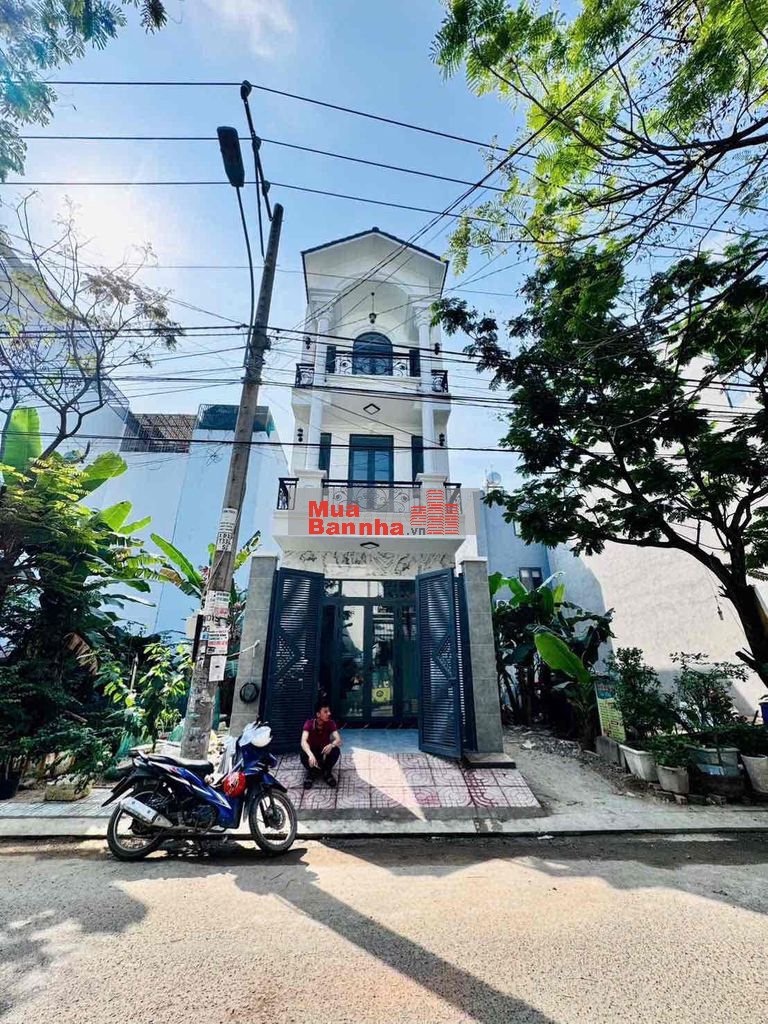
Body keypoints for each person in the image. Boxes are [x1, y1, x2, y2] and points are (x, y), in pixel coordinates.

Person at [300, 699, 342, 789]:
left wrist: (331, 745)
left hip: (323, 752)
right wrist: (310, 755)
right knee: (303, 752)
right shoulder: (309, 724)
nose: (329, 713)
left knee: (335, 750)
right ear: (318, 714)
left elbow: (338, 739)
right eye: (325, 712)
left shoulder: (330, 723)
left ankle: (327, 773)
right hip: (312, 752)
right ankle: (311, 773)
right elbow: (303, 741)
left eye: (329, 711)